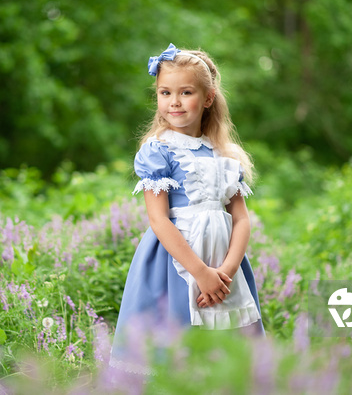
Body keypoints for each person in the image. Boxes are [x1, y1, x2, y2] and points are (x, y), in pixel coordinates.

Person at [109, 43, 264, 374]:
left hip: (225, 263)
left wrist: (225, 273)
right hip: (175, 263)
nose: (174, 101)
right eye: (165, 92)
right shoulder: (159, 151)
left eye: (186, 92)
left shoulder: (225, 154)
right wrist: (201, 273)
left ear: (207, 98)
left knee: (225, 356)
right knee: (174, 346)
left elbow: (241, 220)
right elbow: (158, 219)